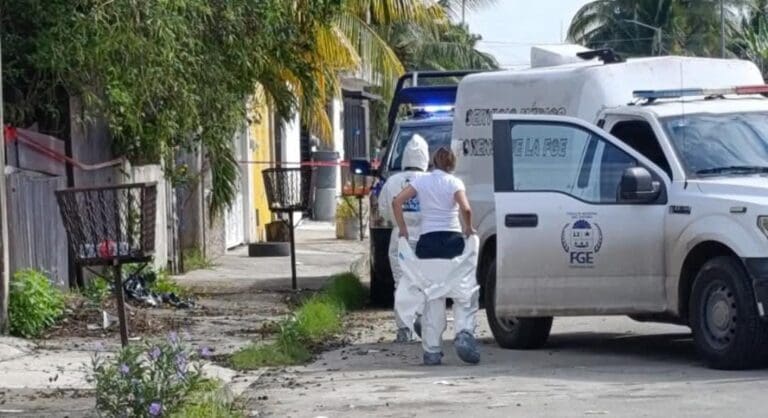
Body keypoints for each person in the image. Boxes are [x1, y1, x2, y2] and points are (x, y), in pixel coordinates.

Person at [392, 147, 480, 365]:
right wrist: (468, 228)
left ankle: (432, 350)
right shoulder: (454, 183)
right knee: (462, 292)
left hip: (427, 243)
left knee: (433, 295)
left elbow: (397, 202)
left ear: (433, 162)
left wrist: (402, 228)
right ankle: (463, 333)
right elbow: (466, 209)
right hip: (452, 241)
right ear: (452, 164)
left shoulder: (422, 181)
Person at [377, 134, 430, 343]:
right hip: (426, 240)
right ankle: (424, 326)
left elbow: (383, 211)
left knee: (401, 283)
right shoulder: (431, 181)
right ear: (425, 158)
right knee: (424, 284)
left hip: (400, 238)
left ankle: (403, 329)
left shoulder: (392, 182)